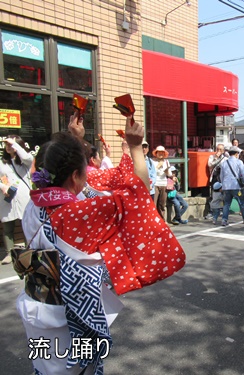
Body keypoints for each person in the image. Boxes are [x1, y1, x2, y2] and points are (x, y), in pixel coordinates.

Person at [12, 115, 185, 374]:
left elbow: (79, 187)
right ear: (74, 176)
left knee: (44, 366)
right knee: (78, 369)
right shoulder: (80, 214)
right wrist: (136, 146)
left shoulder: (34, 204)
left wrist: (75, 140)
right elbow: (137, 192)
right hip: (70, 316)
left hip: (36, 308)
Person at [0, 135, 32, 265]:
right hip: (7, 197)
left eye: (11, 144)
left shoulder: (25, 162)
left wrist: (15, 145)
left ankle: (29, 250)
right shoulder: (2, 162)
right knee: (8, 227)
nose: (9, 147)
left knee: (26, 224)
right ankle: (10, 253)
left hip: (23, 196)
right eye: (7, 145)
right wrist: (3, 186)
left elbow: (26, 157)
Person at [220, 146, 244, 226]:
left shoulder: (224, 163)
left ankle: (224, 220)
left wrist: (223, 185)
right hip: (236, 186)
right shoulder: (239, 162)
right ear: (236, 154)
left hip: (226, 186)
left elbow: (221, 176)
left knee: (226, 204)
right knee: (242, 203)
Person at [152, 145, 172, 220]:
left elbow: (169, 174)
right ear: (156, 153)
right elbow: (152, 172)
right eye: (159, 152)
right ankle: (153, 220)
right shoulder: (152, 162)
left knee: (162, 204)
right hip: (155, 184)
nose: (160, 154)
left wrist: (167, 172)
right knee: (153, 203)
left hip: (164, 184)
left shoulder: (166, 162)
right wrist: (158, 166)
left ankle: (162, 220)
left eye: (162, 153)